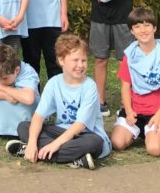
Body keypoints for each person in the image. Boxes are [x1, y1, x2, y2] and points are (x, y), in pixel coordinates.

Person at [6, 34, 110, 169]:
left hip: (86, 133)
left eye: (83, 60)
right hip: (61, 131)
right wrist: (32, 143)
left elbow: (79, 126)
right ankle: (73, 158)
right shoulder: (53, 83)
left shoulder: (89, 86)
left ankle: (37, 152)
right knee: (24, 127)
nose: (80, 65)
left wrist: (55, 145)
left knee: (94, 142)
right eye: (75, 60)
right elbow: (39, 116)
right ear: (61, 60)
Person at [110, 8, 160, 157]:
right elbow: (125, 86)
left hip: (156, 112)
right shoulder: (130, 55)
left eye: (147, 25)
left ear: (155, 27)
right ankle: (138, 130)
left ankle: (156, 133)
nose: (143, 30)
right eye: (137, 26)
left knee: (155, 150)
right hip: (135, 111)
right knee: (117, 143)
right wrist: (128, 111)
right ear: (132, 31)